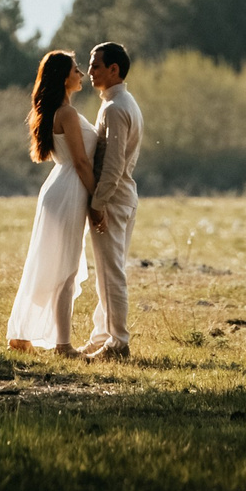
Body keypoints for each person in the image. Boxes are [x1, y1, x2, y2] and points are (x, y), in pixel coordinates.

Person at [5, 49, 96, 355]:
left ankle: (24, 335)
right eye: (75, 69)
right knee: (65, 268)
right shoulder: (67, 114)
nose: (80, 74)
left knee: (53, 265)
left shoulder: (57, 111)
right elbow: (82, 161)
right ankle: (63, 344)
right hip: (70, 187)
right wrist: (99, 199)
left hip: (60, 186)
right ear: (63, 77)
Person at [78, 41, 141, 362]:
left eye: (95, 66)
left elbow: (114, 164)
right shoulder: (122, 102)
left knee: (110, 272)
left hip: (113, 200)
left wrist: (98, 202)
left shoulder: (116, 108)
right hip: (122, 197)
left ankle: (118, 343)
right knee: (106, 270)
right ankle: (102, 336)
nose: (89, 72)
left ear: (114, 70)